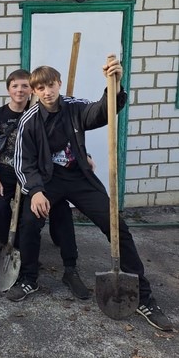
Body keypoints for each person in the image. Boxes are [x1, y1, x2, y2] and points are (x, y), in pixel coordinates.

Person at [12, 57, 172, 331]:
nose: (47, 92)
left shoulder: (74, 107)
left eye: (51, 85)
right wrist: (35, 191)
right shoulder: (30, 120)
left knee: (116, 226)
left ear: (58, 84)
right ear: (34, 91)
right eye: (41, 88)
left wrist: (114, 84)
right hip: (48, 180)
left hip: (79, 176)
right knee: (29, 222)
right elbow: (22, 161)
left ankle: (143, 296)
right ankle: (28, 278)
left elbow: (101, 111)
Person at [0, 69, 87, 300]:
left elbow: (68, 137)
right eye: (15, 86)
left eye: (24, 86)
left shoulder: (41, 112)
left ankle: (70, 268)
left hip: (38, 175)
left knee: (58, 211)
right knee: (0, 209)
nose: (20, 90)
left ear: (31, 89)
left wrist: (84, 155)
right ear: (8, 89)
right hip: (7, 173)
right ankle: (14, 249)